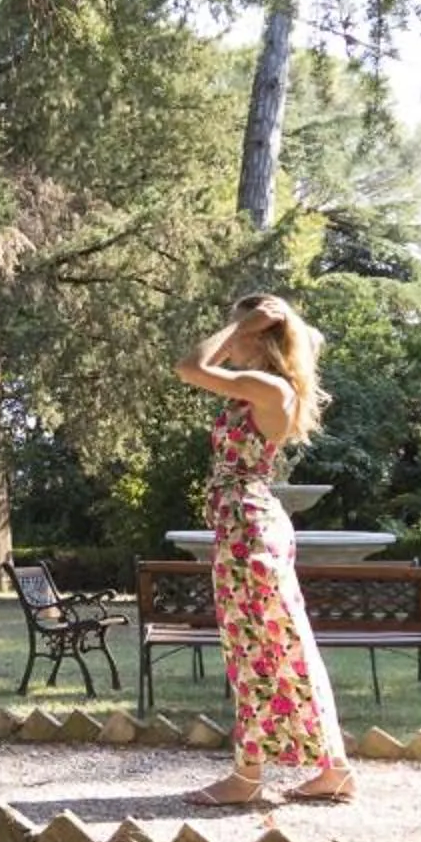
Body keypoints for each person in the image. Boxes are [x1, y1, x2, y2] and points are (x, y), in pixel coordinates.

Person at [174, 293, 353, 806]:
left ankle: (248, 776)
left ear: (258, 334)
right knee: (278, 646)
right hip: (246, 527)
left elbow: (189, 367)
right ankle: (333, 769)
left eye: (238, 329)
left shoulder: (267, 385)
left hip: (249, 529)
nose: (228, 337)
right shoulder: (259, 389)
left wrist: (241, 326)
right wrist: (256, 325)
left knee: (253, 651)